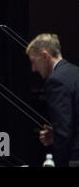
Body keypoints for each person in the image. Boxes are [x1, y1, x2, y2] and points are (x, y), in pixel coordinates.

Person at [26, 33, 79, 166]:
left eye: (34, 61)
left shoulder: (56, 81)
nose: (33, 69)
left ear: (45, 56)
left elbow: (64, 132)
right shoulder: (75, 72)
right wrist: (55, 136)